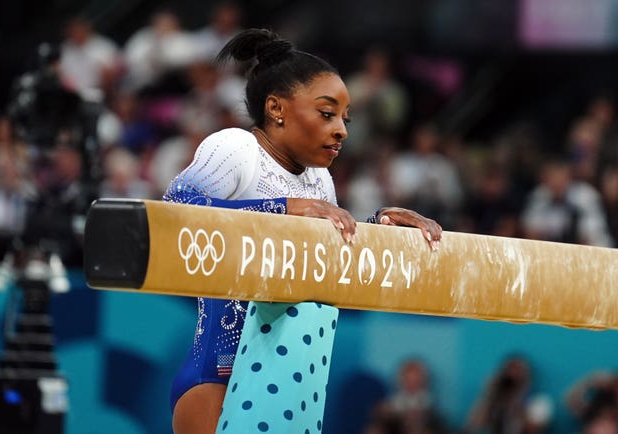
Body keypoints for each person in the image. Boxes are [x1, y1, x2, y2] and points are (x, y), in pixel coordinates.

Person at [162, 28, 442, 434]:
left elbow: (319, 261)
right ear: (276, 108)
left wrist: (379, 228)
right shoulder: (238, 150)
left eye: (345, 119)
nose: (342, 130)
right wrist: (283, 208)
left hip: (292, 379)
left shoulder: (318, 183)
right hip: (219, 377)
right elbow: (174, 211)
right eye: (327, 114)